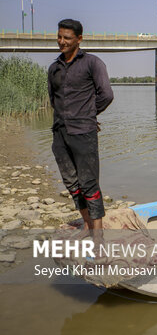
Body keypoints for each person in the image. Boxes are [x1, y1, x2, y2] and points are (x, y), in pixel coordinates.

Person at [48, 19, 114, 233]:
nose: (62, 41)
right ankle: (86, 224)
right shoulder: (54, 67)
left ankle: (99, 235)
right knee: (72, 183)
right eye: (59, 36)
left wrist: (87, 115)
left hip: (83, 134)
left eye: (67, 38)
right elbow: (53, 99)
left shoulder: (92, 63)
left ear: (79, 39)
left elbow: (106, 94)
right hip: (60, 133)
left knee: (89, 184)